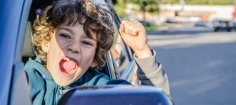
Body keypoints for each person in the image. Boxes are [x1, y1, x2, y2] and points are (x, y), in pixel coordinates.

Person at [25, 0, 170, 105]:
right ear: (45, 42)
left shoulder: (102, 88)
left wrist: (142, 51)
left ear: (95, 58)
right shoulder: (22, 79)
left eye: (87, 42)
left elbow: (155, 101)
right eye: (65, 35)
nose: (74, 47)